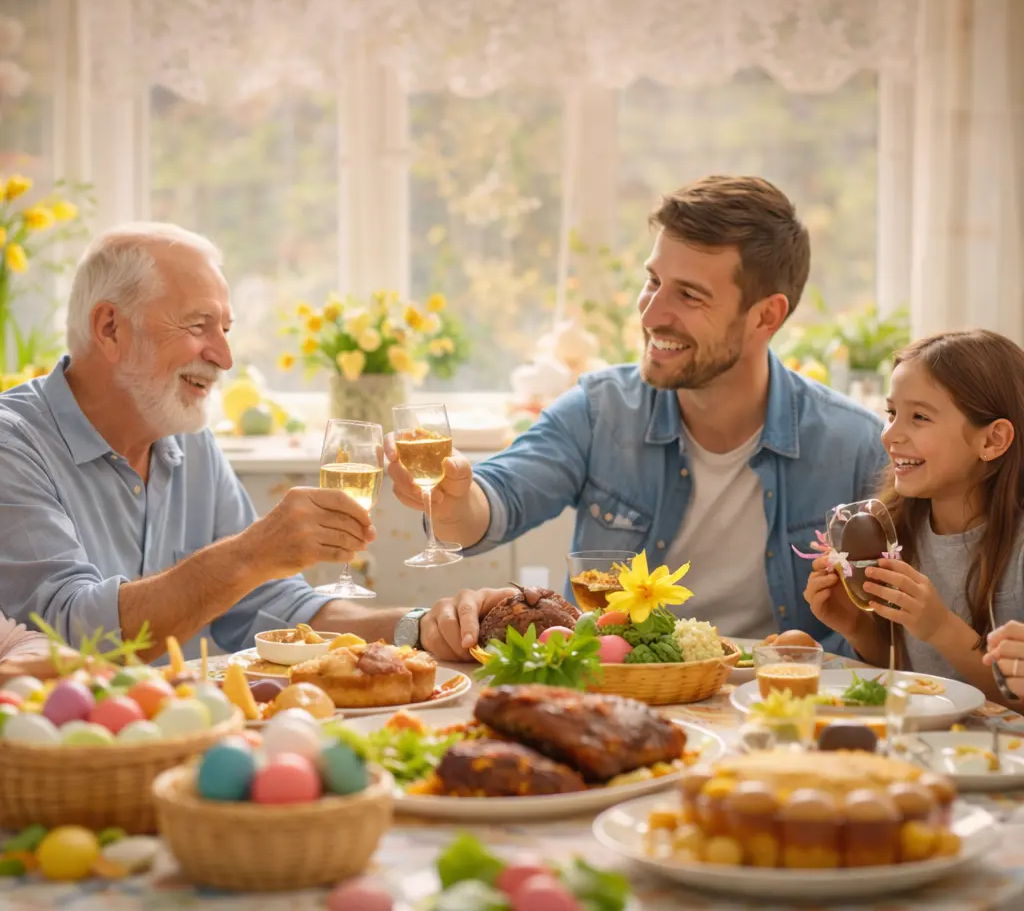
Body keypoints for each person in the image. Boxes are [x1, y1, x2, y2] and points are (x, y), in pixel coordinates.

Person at [387, 176, 887, 654]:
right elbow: (498, 498)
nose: (650, 315)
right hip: (620, 694)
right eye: (653, 281)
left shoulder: (856, 446)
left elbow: (892, 631)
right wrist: (452, 504)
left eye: (689, 295)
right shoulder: (600, 410)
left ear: (765, 316)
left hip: (774, 707)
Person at [0, 223, 509, 662]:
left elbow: (273, 607)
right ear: (110, 327)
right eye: (199, 326)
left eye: (225, 329)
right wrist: (251, 553)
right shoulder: (13, 445)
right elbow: (64, 639)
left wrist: (419, 629)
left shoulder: (188, 443)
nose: (224, 357)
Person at [805, 330, 1024, 701]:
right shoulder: (895, 528)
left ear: (992, 440)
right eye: (892, 413)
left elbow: (1015, 704)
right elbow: (912, 672)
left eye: (919, 416)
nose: (890, 435)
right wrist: (856, 625)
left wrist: (940, 627)